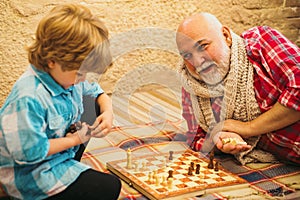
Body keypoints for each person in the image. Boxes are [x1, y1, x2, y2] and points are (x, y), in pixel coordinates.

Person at [0, 4, 121, 200]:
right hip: (29, 174)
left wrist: (108, 112)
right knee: (109, 187)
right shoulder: (28, 97)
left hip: (58, 156)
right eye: (79, 73)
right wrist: (74, 140)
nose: (83, 78)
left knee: (93, 103)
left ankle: (71, 168)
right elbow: (30, 153)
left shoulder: (67, 75)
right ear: (52, 61)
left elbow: (98, 93)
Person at [176, 12, 300, 165]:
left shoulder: (260, 42)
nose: (197, 61)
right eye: (187, 55)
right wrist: (220, 140)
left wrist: (247, 128)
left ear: (226, 36)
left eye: (202, 46)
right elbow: (197, 139)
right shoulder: (192, 86)